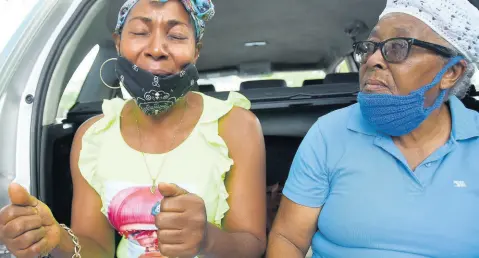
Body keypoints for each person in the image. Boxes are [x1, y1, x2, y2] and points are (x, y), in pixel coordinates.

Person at [0, 0, 267, 257]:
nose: (157, 48)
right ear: (118, 44)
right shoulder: (93, 137)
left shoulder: (235, 126)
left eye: (176, 36)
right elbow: (96, 247)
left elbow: (252, 244)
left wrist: (207, 240)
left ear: (196, 51)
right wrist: (57, 241)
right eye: (140, 32)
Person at [267, 0, 479, 257]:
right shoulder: (330, 132)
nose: (373, 60)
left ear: (452, 72)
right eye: (370, 47)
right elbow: (287, 238)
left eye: (399, 47)